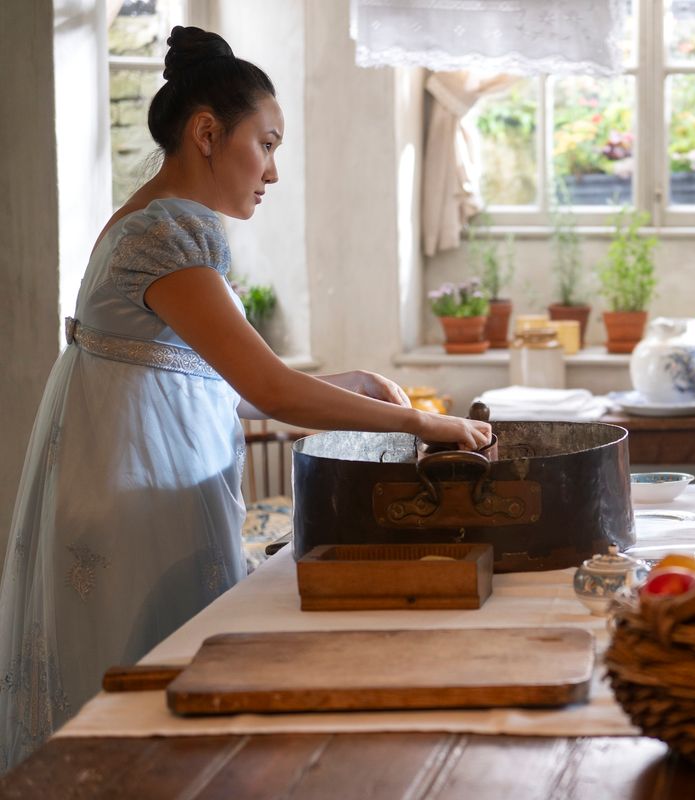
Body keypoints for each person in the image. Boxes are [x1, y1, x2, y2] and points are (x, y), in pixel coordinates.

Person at [0, 26, 491, 770]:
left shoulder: (156, 224)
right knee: (151, 707)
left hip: (133, 486)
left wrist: (351, 387)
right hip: (135, 505)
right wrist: (424, 420)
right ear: (206, 134)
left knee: (163, 706)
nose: (272, 171)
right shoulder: (171, 234)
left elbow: (215, 382)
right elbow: (265, 385)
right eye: (266, 144)